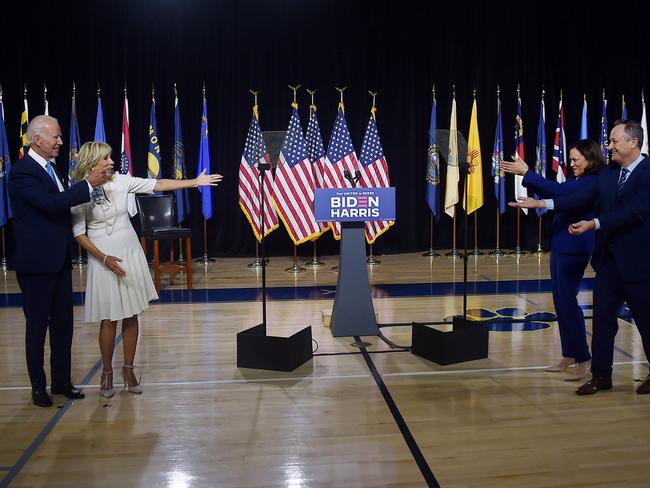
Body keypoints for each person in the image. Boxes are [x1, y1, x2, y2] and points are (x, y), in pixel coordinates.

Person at [71, 141, 222, 398]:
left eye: (110, 158)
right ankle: (107, 372)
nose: (111, 162)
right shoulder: (78, 191)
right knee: (108, 319)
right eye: (106, 159)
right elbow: (79, 234)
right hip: (103, 258)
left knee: (131, 315)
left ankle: (128, 370)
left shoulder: (122, 181)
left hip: (129, 252)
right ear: (92, 163)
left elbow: (158, 184)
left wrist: (194, 182)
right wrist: (104, 257)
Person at [510, 120, 650, 395]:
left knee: (646, 322)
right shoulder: (608, 174)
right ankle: (600, 375)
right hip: (608, 261)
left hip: (638, 262)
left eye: (614, 141)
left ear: (633, 143)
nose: (609, 146)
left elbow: (635, 213)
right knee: (601, 321)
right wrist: (540, 203)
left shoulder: (648, 173)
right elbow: (574, 198)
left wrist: (594, 224)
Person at [8, 115, 112, 407]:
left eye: (60, 136)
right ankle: (38, 387)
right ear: (37, 139)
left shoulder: (52, 169)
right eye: (55, 137)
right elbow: (51, 205)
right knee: (37, 328)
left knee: (64, 326)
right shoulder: (22, 173)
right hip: (36, 264)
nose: (61, 142)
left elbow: (63, 204)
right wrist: (88, 183)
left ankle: (61, 382)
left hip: (58, 260)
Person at [501, 139, 605, 381]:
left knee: (568, 302)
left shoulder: (593, 181)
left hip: (576, 247)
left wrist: (528, 174)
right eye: (570, 159)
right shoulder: (577, 180)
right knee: (560, 301)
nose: (571, 164)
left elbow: (559, 194)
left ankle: (583, 357)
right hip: (560, 244)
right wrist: (536, 198)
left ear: (590, 159)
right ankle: (569, 353)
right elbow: (558, 194)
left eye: (576, 159)